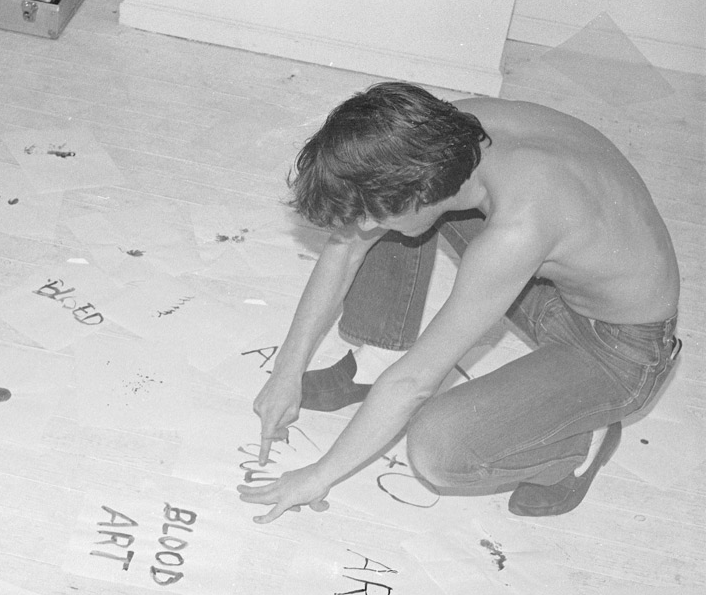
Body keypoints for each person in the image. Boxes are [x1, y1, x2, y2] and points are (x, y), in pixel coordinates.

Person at [237, 82, 680, 524]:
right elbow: (348, 243)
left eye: (377, 214)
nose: (365, 226)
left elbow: (414, 385)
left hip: (620, 348)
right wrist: (285, 373)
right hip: (560, 272)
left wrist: (319, 475)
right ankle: (375, 360)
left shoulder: (518, 226)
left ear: (422, 193)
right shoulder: (442, 133)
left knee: (440, 449)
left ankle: (576, 443)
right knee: (381, 219)